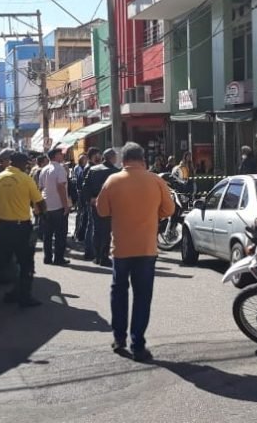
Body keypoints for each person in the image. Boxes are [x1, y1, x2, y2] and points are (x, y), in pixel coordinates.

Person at [96, 142, 175, 362]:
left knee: (118, 292)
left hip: (121, 248)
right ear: (143, 160)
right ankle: (138, 345)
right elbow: (169, 209)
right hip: (146, 248)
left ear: (123, 160)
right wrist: (152, 214)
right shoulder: (155, 180)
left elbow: (102, 211)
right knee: (142, 296)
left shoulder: (112, 180)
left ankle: (119, 338)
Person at [0, 151, 46, 311]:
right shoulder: (26, 179)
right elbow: (40, 202)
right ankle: (24, 297)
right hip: (21, 228)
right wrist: (43, 217)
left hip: (2, 227)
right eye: (26, 165)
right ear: (23, 164)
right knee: (26, 263)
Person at [84, 148, 120, 265]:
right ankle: (104, 257)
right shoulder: (115, 172)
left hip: (95, 202)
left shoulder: (93, 169)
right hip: (109, 204)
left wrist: (90, 199)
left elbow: (85, 187)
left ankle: (97, 256)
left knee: (97, 229)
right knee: (106, 231)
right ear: (112, 158)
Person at [38, 148, 70, 266]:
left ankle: (47, 257)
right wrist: (66, 205)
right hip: (57, 205)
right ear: (55, 156)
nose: (62, 155)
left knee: (47, 234)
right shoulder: (59, 169)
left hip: (46, 205)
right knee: (60, 234)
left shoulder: (44, 169)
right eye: (60, 154)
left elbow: (40, 188)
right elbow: (61, 187)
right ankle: (58, 258)